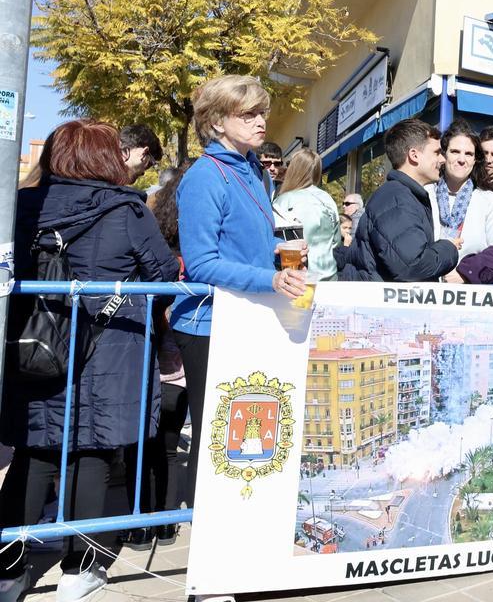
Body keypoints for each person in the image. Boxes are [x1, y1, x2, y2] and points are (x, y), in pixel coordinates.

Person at [0, 119, 179, 601]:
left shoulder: (22, 204)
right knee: (92, 455)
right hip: (108, 353)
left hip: (36, 347)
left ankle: (8, 569)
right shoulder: (126, 208)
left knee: (35, 451)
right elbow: (163, 272)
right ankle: (79, 572)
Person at [172, 76, 309, 507]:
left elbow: (246, 244)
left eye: (262, 112)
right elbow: (201, 263)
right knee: (215, 429)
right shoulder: (204, 176)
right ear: (216, 122)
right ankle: (203, 518)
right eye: (247, 114)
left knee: (243, 422)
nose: (261, 121)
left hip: (246, 313)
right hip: (207, 321)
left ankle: (237, 513)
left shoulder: (253, 170)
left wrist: (279, 252)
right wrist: (270, 279)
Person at [125, 159, 193, 551]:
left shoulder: (153, 239)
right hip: (180, 357)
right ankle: (164, 522)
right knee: (167, 442)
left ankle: (139, 523)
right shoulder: (198, 250)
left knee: (142, 442)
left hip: (149, 352)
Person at [340, 119, 461, 282]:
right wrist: (449, 248)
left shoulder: (403, 196)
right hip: (377, 297)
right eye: (436, 152)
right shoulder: (396, 199)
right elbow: (412, 266)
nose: (443, 159)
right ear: (414, 155)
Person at [426, 121, 493, 284]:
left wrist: (467, 273)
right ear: (444, 155)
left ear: (475, 159)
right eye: (455, 152)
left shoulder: (487, 200)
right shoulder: (426, 193)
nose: (462, 160)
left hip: (470, 293)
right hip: (426, 290)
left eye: (469, 154)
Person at [273, 148, 342, 282]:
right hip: (328, 275)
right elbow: (336, 241)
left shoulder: (282, 201)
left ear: (293, 170)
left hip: (297, 278)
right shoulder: (327, 199)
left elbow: (274, 242)